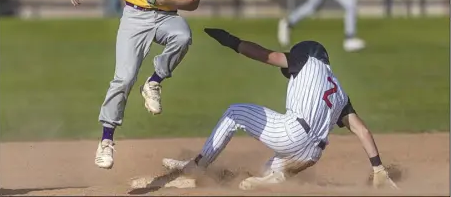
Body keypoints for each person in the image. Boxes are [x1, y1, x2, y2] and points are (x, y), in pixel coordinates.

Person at [69, 0, 210, 170]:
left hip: (166, 15)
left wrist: (165, 1)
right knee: (123, 79)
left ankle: (154, 81)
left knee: (182, 36)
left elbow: (193, 1)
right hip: (134, 15)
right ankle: (107, 140)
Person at [160, 28, 397, 190]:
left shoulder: (306, 60)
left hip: (291, 134)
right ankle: (273, 178)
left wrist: (233, 42)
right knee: (265, 172)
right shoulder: (339, 91)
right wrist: (378, 168)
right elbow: (362, 130)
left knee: (234, 113)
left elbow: (266, 55)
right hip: (311, 155)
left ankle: (197, 166)